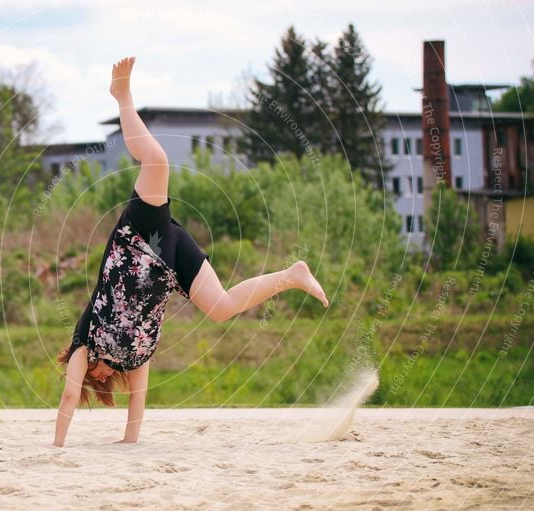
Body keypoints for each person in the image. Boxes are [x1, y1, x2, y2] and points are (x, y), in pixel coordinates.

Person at [52, 56, 329, 447]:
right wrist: (129, 442)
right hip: (170, 263)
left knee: (158, 160)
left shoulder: (86, 341)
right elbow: (139, 404)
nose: (95, 378)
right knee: (222, 307)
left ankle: (122, 96)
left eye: (89, 378)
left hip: (140, 241)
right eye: (98, 383)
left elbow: (67, 395)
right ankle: (292, 275)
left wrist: (57, 446)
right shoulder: (134, 358)